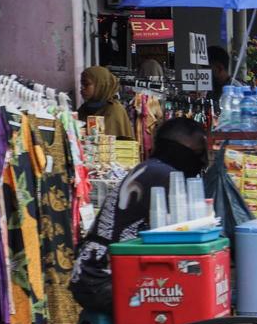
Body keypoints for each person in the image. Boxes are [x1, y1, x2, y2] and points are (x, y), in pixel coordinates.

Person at [70, 118, 207, 313]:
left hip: (90, 275)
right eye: (197, 153)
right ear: (179, 147)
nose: (200, 161)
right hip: (101, 280)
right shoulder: (163, 175)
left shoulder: (149, 167)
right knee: (182, 300)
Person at [77, 66, 133, 139]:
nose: (82, 88)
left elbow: (105, 143)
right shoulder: (84, 108)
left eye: (86, 84)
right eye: (82, 84)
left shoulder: (114, 110)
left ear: (100, 85)